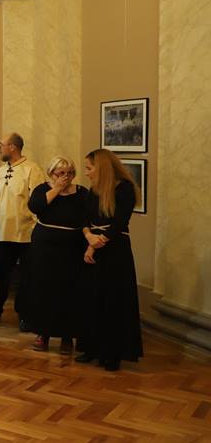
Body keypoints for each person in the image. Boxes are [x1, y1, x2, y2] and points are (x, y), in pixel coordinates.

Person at [76, 149, 143, 372]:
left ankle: (112, 353)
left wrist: (99, 241)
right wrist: (89, 238)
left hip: (115, 250)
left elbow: (120, 221)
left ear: (102, 167)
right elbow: (84, 218)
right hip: (94, 246)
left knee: (113, 300)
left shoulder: (124, 189)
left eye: (89, 168)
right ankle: (91, 348)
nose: (86, 172)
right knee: (92, 298)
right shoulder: (93, 191)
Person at [0, 132, 46, 328]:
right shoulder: (0, 172)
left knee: (26, 276)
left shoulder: (32, 169)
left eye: (2, 145)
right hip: (1, 234)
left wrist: (37, 232)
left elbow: (38, 203)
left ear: (13, 147)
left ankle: (25, 315)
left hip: (26, 234)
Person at [22, 157, 88, 353]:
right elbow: (35, 207)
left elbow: (87, 217)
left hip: (72, 247)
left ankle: (67, 336)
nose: (66, 177)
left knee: (69, 290)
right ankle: (43, 334)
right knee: (44, 289)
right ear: (51, 174)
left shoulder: (82, 193)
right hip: (45, 247)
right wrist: (57, 189)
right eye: (61, 173)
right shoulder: (42, 189)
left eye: (69, 173)